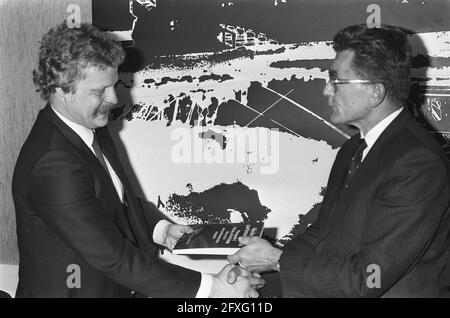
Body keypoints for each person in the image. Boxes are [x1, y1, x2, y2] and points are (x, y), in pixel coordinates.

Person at [12, 22, 263, 298]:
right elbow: (115, 257)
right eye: (99, 91)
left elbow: (118, 202)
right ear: (61, 88)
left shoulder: (92, 127)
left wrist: (163, 229)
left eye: (114, 85)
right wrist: (213, 288)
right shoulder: (53, 163)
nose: (114, 98)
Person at [228, 24, 450, 297]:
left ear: (375, 92)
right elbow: (322, 235)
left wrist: (276, 260)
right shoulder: (353, 149)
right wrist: (263, 273)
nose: (326, 90)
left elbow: (369, 278)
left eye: (337, 81)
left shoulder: (418, 164)